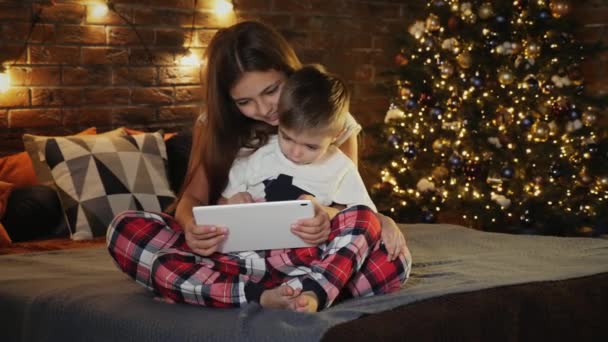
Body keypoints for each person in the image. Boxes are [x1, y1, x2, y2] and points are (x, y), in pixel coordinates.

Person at [106, 20, 410, 312]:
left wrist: (328, 216)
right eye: (245, 102)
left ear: (289, 73)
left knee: (392, 261)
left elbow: (347, 209)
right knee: (124, 230)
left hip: (306, 254)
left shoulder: (331, 123)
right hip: (232, 256)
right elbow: (192, 201)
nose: (264, 110)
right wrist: (192, 228)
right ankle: (266, 295)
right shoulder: (213, 125)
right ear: (228, 102)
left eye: (271, 91)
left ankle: (209, 291)